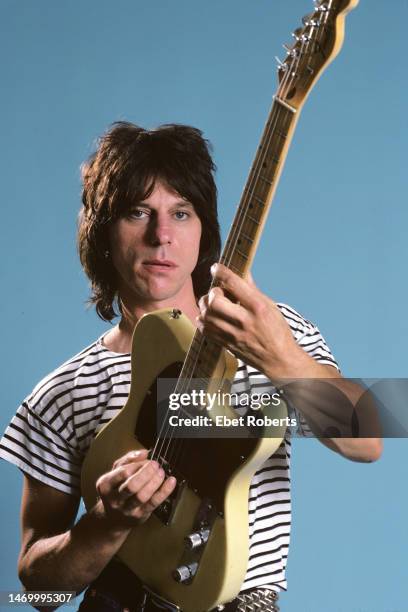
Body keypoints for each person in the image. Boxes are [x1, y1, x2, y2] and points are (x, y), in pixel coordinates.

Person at [0, 122, 382, 612]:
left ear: (205, 233)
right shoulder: (62, 392)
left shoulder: (271, 329)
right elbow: (39, 589)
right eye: (138, 212)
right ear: (102, 230)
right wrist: (106, 521)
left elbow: (367, 440)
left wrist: (277, 355)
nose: (162, 236)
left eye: (181, 213)